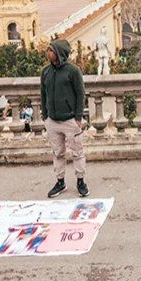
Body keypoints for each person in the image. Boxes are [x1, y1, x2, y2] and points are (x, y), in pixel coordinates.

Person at [40, 39, 88, 198]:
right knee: (57, 153)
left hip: (70, 120)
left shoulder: (73, 71)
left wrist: (78, 117)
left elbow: (81, 94)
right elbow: (43, 94)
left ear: (59, 53)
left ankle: (81, 181)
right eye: (48, 50)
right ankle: (60, 181)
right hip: (52, 120)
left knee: (77, 152)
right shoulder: (45, 72)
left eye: (51, 50)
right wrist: (45, 115)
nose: (48, 53)